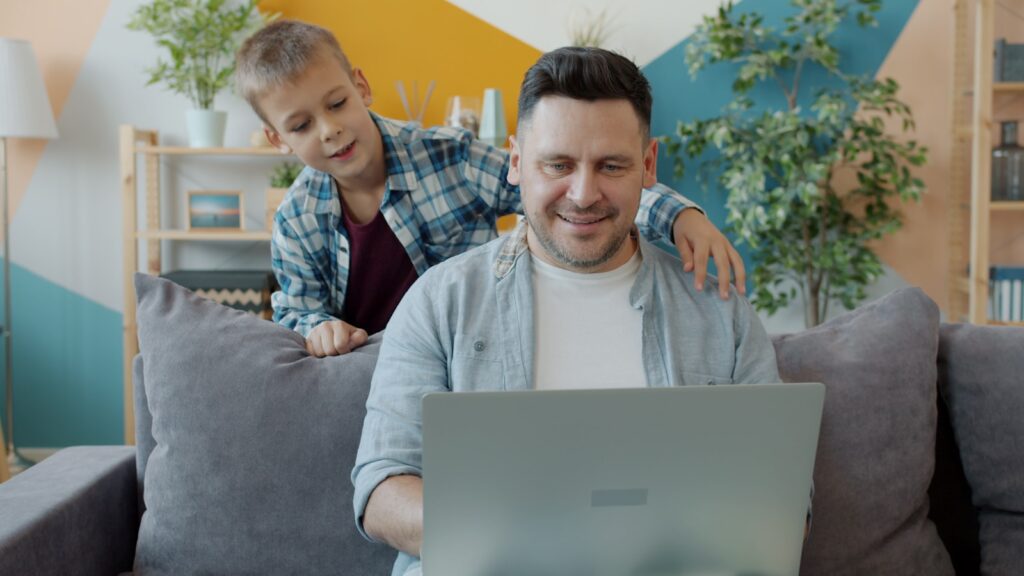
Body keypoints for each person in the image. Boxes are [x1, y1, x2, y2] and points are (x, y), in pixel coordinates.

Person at [351, 46, 782, 576]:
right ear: (515, 163)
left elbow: (781, 503)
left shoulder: (721, 314)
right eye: (557, 164)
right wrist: (530, 535)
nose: (583, 194)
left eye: (611, 166)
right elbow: (381, 491)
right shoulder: (439, 302)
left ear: (647, 167)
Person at [235, 20, 745, 357]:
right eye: (302, 126)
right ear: (277, 139)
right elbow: (296, 309)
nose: (330, 130)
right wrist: (319, 328)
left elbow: (568, 187)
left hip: (472, 357)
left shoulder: (449, 156)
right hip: (374, 368)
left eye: (338, 103)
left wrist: (681, 216)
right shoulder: (297, 219)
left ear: (361, 87)